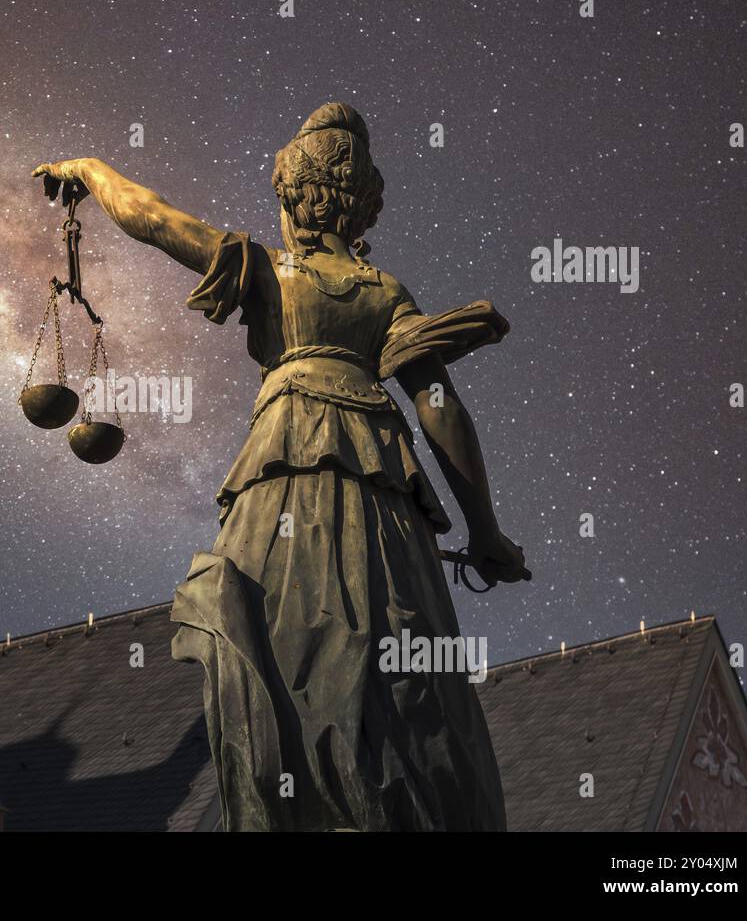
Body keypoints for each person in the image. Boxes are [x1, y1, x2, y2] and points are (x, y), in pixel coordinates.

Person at [33, 102, 527, 831]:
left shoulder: (267, 270)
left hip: (283, 470)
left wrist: (88, 170)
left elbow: (155, 219)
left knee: (281, 645)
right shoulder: (386, 294)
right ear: (361, 207)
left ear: (295, 192)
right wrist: (485, 531)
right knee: (391, 657)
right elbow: (439, 408)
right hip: (381, 486)